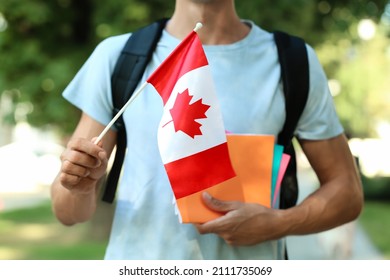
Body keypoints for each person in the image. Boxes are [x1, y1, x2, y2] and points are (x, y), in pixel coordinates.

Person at [50, 0, 363, 259]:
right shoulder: (118, 56)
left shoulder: (293, 61)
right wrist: (78, 186)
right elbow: (68, 212)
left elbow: (347, 192)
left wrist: (278, 223)